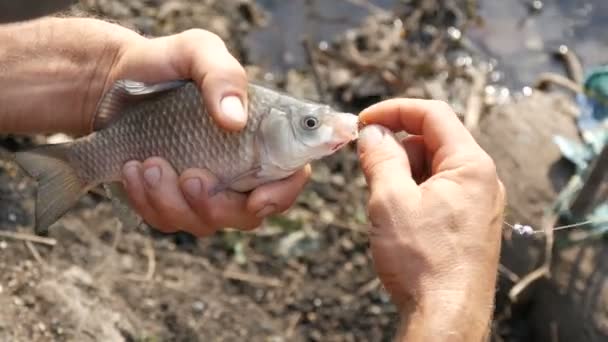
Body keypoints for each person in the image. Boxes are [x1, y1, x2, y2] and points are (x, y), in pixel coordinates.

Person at [0, 16, 505, 341]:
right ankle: (74, 167)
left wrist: (102, 72)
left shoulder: (270, 160)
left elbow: (117, 83)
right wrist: (448, 299)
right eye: (308, 124)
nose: (322, 128)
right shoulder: (258, 151)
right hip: (130, 142)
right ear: (275, 129)